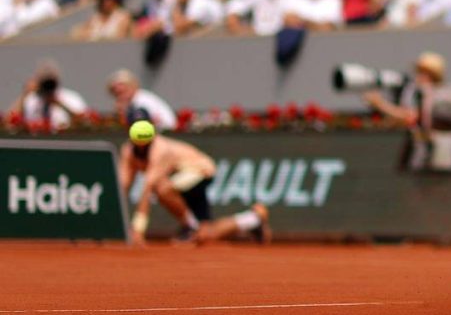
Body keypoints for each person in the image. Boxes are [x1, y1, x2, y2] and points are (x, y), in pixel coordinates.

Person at [119, 114, 270, 245]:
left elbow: (147, 188)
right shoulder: (127, 150)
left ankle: (191, 226)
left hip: (200, 171)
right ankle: (253, 219)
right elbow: (122, 187)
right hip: (180, 181)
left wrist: (138, 229)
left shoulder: (161, 150)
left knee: (161, 188)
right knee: (205, 234)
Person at [7, 62, 88, 130]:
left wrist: (60, 104)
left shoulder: (71, 98)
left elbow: (85, 122)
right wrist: (24, 94)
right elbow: (9, 120)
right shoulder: (31, 99)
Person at [107, 69, 177, 131]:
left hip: (166, 133)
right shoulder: (131, 102)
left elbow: (144, 123)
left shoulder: (142, 100)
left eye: (122, 92)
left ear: (132, 86)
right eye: (116, 94)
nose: (120, 97)